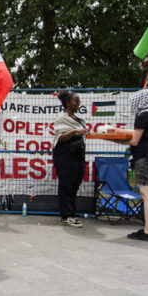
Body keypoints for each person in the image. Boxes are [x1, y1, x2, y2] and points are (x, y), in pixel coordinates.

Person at [115, 88, 148, 242]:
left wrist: (114, 138)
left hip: (146, 159)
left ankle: (147, 231)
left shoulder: (144, 115)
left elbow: (134, 140)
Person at [52, 90, 88, 227]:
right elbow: (60, 137)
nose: (78, 103)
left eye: (79, 101)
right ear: (68, 103)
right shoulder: (61, 117)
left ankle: (71, 214)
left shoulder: (78, 120)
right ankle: (66, 215)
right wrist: (74, 131)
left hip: (77, 154)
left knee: (75, 184)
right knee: (66, 185)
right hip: (65, 155)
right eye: (76, 101)